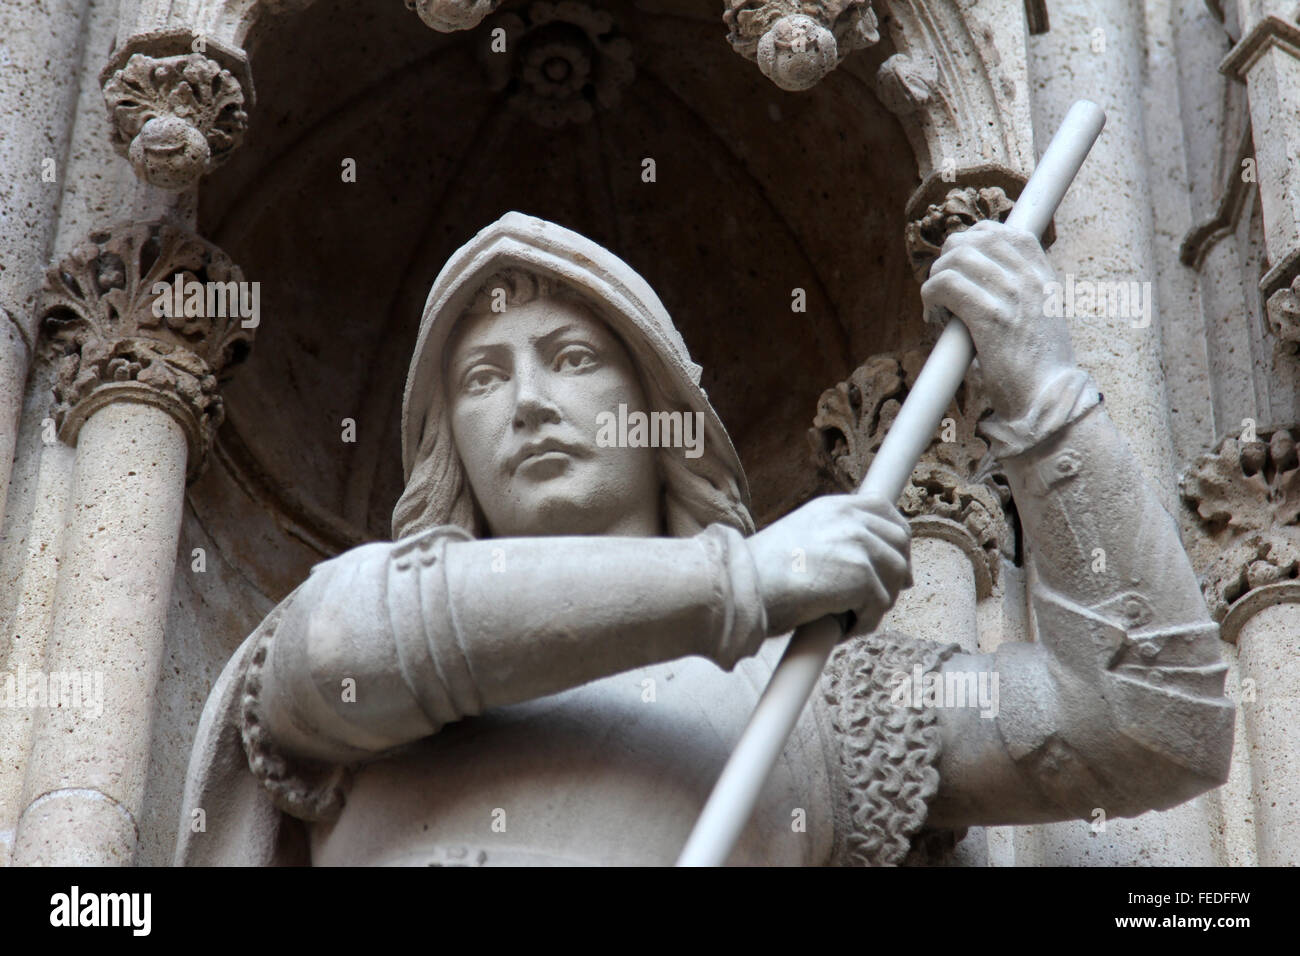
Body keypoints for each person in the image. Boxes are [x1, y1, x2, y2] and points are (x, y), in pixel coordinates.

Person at [176, 211, 1233, 866]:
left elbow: (1150, 724)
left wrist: (1047, 399)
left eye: (573, 358)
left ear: (660, 412)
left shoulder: (819, 688)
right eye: (483, 379)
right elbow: (352, 646)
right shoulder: (356, 615)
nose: (529, 401)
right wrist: (744, 578)